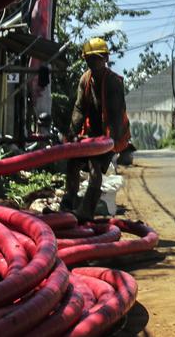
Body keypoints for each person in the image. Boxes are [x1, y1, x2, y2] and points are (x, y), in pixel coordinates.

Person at [62, 37, 130, 222]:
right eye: (89, 59)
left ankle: (87, 210)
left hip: (111, 135)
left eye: (97, 58)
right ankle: (69, 201)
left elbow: (115, 116)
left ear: (105, 59)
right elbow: (79, 109)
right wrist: (71, 135)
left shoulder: (114, 83)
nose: (93, 62)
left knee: (94, 167)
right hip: (92, 134)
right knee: (73, 161)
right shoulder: (85, 79)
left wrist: (108, 143)